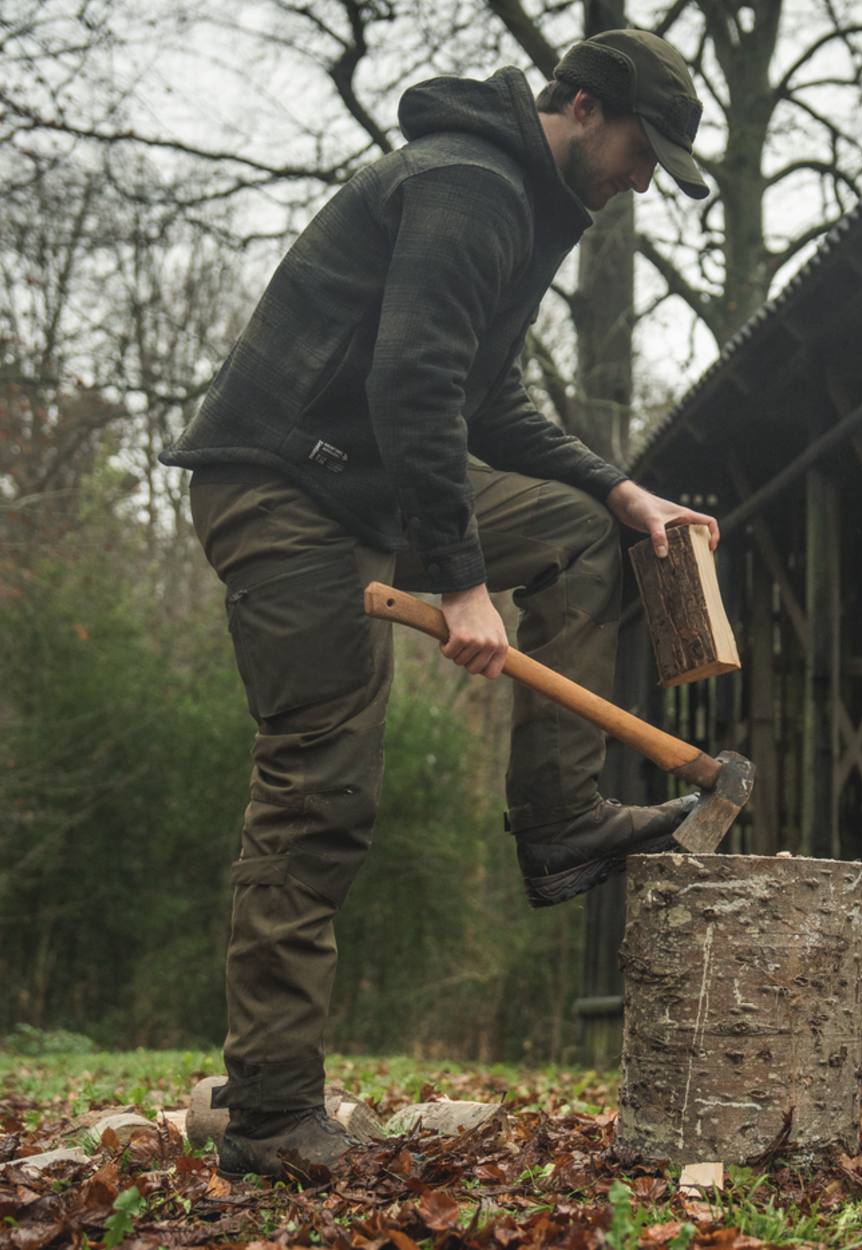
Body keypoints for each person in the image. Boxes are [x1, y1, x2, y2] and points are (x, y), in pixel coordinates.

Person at [161, 27, 719, 1178]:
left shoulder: (521, 198)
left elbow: (484, 396)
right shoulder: (469, 183)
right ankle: (268, 1109)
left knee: (573, 530)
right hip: (278, 485)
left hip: (357, 479)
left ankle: (559, 820)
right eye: (638, 147)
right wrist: (465, 586)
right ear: (578, 105)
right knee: (321, 778)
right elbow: (413, 380)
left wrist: (616, 489)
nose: (641, 178)